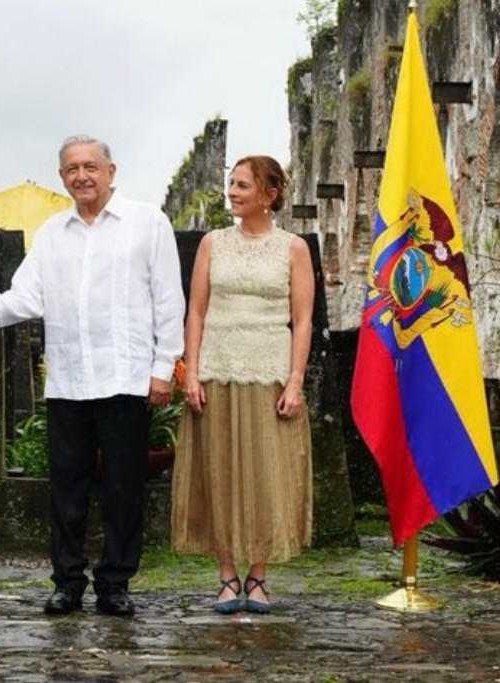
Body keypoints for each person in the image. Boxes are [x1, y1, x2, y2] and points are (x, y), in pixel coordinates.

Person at [0, 135, 185, 617]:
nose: (82, 176)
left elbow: (168, 301)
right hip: (69, 381)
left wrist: (164, 369)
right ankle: (68, 582)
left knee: (124, 489)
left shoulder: (147, 223)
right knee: (67, 489)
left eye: (90, 167)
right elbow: (25, 296)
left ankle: (116, 582)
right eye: (72, 169)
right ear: (62, 177)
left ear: (111, 171)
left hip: (126, 378)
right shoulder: (52, 233)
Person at [171, 155, 314, 614]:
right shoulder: (213, 243)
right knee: (220, 471)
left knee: (264, 474)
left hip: (269, 371)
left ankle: (259, 574)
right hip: (217, 369)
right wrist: (190, 371)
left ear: (269, 195)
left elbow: (303, 318)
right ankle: (226, 575)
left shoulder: (293, 248)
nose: (232, 192)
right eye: (231, 183)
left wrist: (295, 380)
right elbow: (195, 311)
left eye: (243, 185)